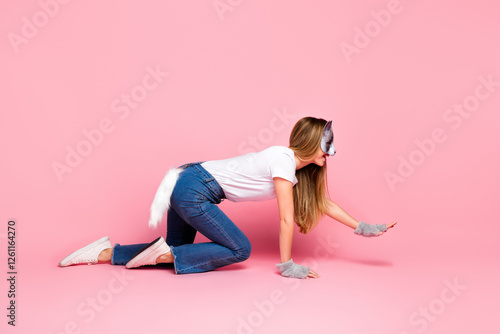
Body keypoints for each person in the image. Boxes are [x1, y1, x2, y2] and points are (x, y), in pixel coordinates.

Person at [58, 117, 397, 279]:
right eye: (328, 145)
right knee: (240, 249)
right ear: (310, 144)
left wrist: (364, 227)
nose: (332, 152)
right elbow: (284, 217)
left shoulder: (294, 169)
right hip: (194, 187)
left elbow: (325, 203)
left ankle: (105, 251)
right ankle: (157, 255)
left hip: (186, 181)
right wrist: (288, 265)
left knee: (174, 251)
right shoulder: (282, 160)